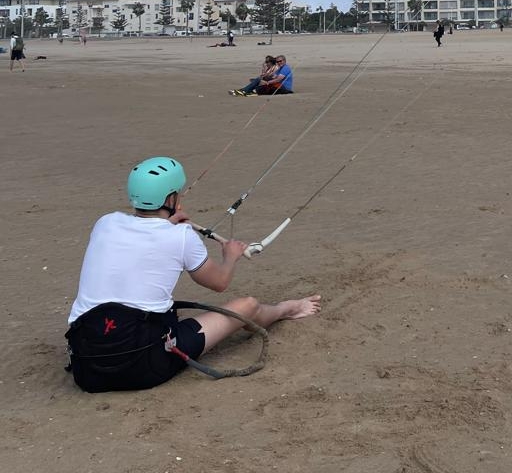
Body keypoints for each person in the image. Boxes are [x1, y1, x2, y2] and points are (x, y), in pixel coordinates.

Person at [65, 156, 321, 393]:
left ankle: (285, 310)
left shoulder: (105, 222)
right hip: (144, 366)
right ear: (171, 199)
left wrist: (167, 226)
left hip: (87, 367)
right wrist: (230, 255)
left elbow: (144, 241)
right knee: (248, 305)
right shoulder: (181, 236)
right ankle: (287, 309)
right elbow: (219, 282)